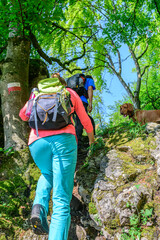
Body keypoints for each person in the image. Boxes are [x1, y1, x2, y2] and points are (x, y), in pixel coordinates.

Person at [19, 73, 94, 240]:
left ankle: (39, 207)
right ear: (63, 84)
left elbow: (23, 115)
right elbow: (85, 120)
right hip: (63, 142)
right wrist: (92, 141)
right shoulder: (68, 93)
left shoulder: (37, 94)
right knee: (61, 202)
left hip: (36, 143)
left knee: (47, 174)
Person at [75, 74, 96, 150]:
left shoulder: (77, 84)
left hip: (73, 101)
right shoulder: (89, 80)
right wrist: (90, 103)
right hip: (82, 102)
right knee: (80, 122)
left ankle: (91, 138)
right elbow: (90, 89)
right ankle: (78, 146)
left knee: (84, 120)